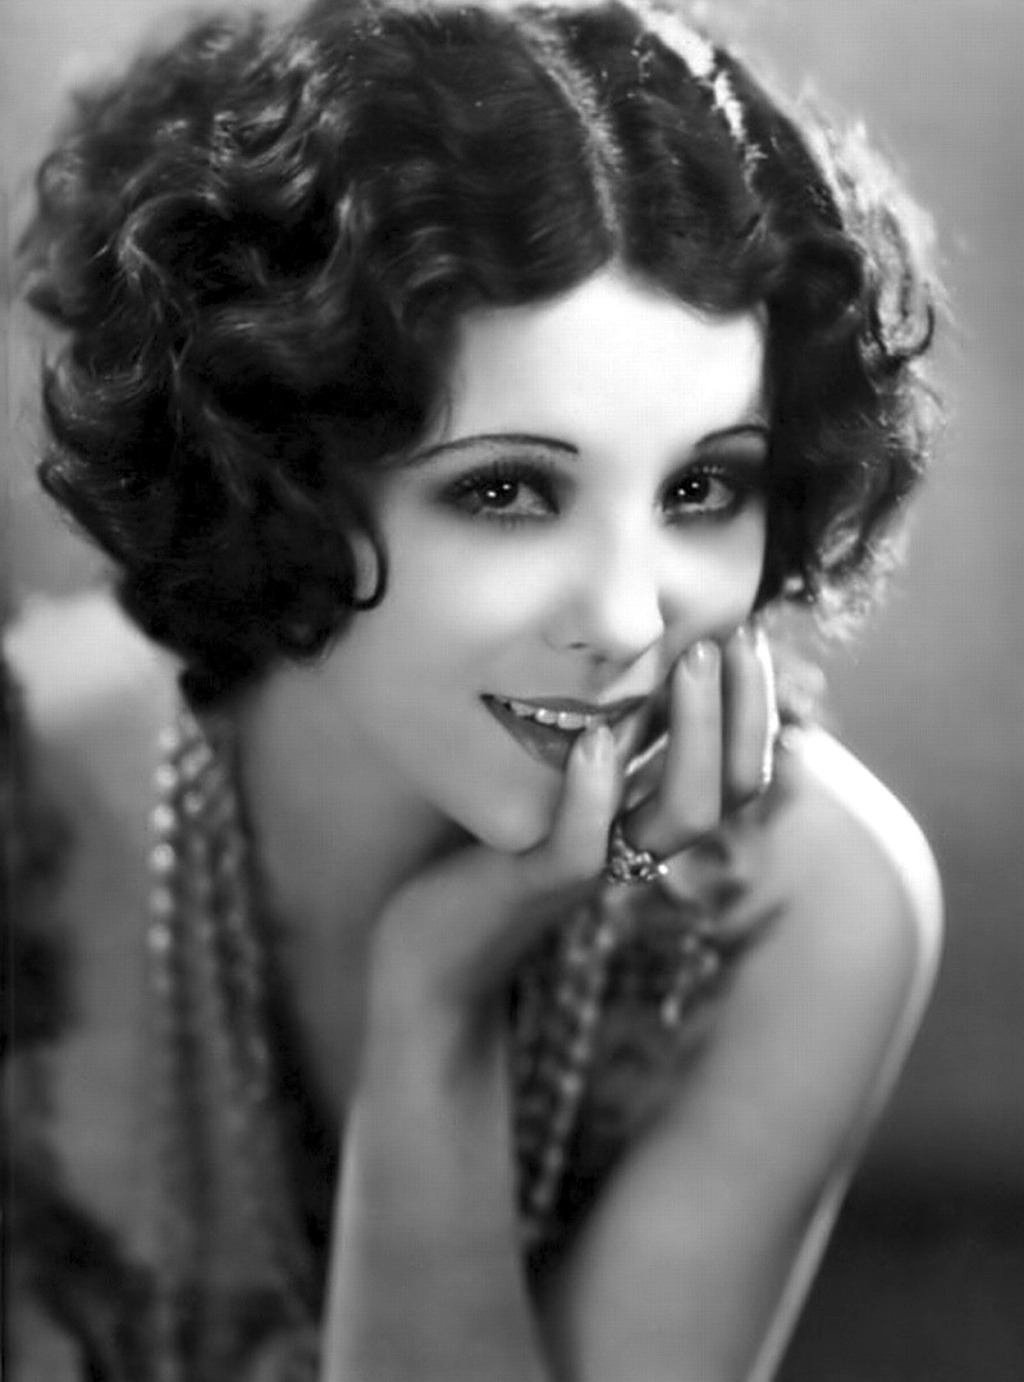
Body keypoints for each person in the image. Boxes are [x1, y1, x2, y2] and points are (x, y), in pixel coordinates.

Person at [3, 0, 945, 1377]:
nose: (629, 619)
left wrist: (439, 997)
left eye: (702, 488)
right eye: (507, 492)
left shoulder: (817, 905)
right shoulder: (29, 787)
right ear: (287, 465)